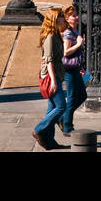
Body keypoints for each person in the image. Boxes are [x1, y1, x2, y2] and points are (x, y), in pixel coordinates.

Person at [33, 8, 69, 150]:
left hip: (56, 74)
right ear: (54, 19)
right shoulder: (50, 37)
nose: (62, 17)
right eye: (60, 16)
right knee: (61, 107)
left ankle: (48, 141)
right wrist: (54, 81)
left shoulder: (56, 34)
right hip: (50, 76)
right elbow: (49, 61)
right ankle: (39, 129)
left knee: (52, 108)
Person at [59, 4, 87, 135]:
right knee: (71, 97)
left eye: (76, 14)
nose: (76, 17)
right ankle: (67, 126)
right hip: (69, 69)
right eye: (73, 15)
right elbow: (66, 52)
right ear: (67, 18)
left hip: (77, 68)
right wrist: (79, 44)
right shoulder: (68, 33)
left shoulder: (75, 30)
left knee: (82, 95)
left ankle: (63, 118)